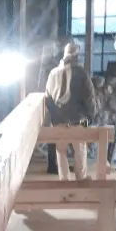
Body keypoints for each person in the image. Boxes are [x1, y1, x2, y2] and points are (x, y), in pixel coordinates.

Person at [44, 42, 97, 179]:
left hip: (59, 120)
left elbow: (48, 98)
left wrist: (55, 117)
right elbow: (89, 98)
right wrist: (91, 115)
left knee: (60, 150)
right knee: (80, 148)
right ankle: (81, 179)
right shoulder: (81, 73)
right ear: (77, 55)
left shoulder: (53, 73)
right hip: (79, 120)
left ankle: (64, 180)